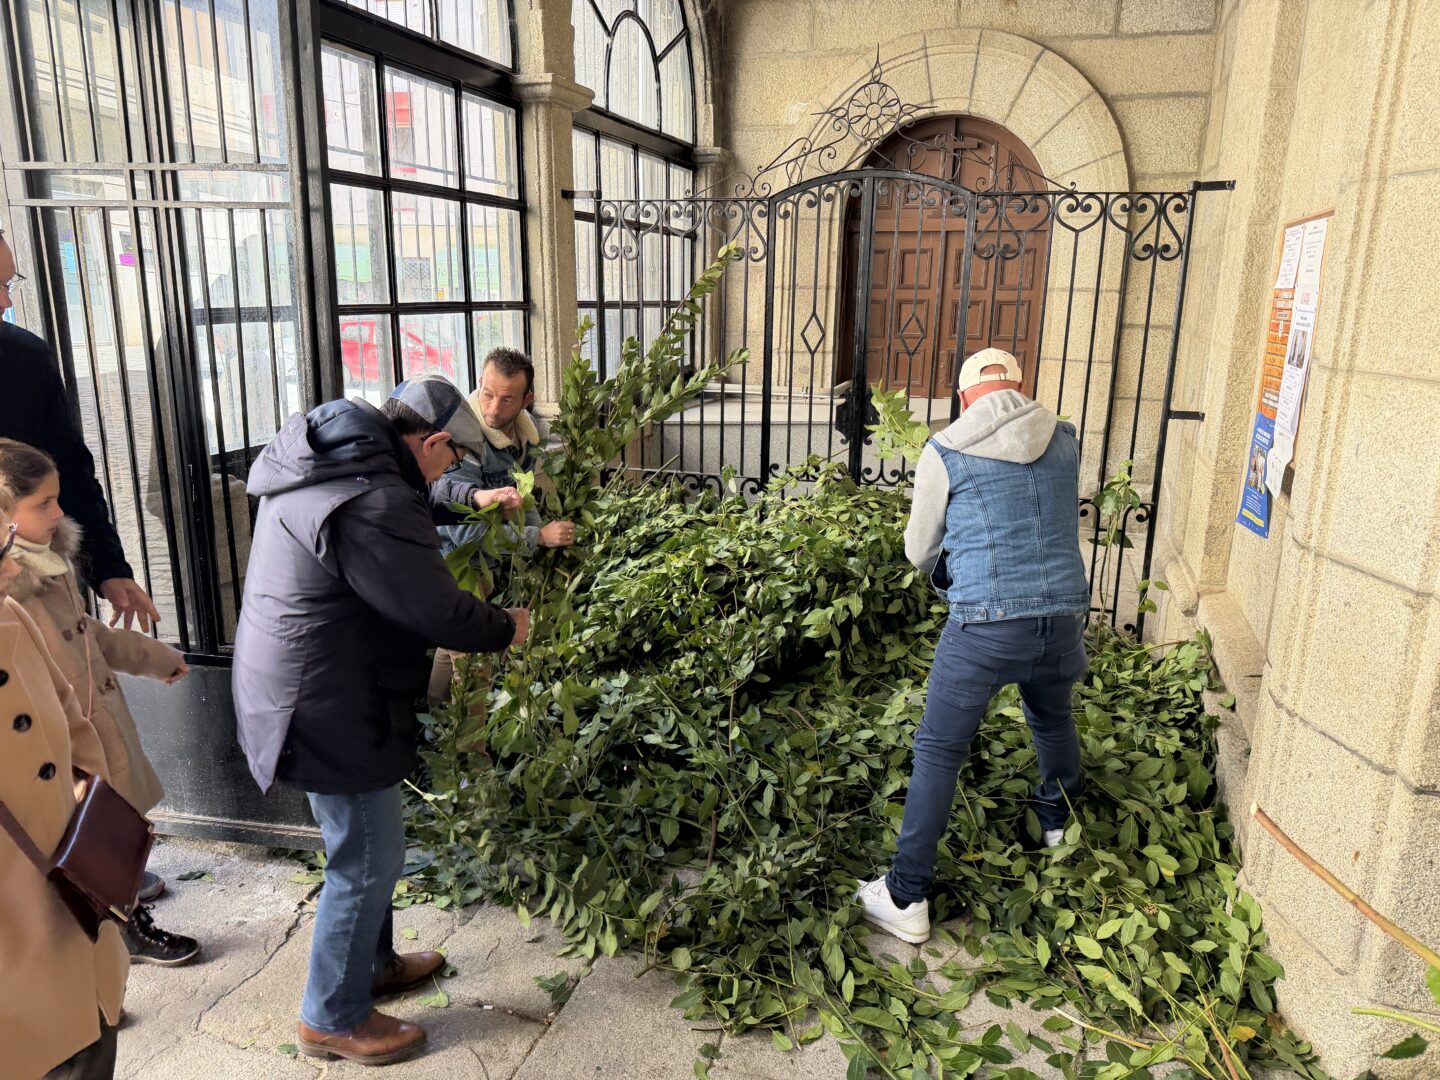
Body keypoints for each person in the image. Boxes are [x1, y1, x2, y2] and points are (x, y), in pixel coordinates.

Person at [232, 375, 529, 1066]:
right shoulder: (373, 496)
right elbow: (431, 606)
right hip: (321, 696)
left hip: (312, 679)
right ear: (429, 441)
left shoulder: (340, 462)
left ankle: (373, 966)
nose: (450, 472)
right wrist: (505, 626)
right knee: (367, 855)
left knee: (369, 841)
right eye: (452, 459)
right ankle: (331, 1015)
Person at [856, 348, 1090, 946]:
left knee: (938, 750)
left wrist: (953, 572)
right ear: (1021, 387)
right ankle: (1057, 824)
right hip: (1062, 618)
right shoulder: (1065, 437)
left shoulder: (945, 449)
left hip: (985, 625)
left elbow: (917, 549)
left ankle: (906, 896)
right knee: (1052, 718)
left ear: (963, 399)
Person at [0, 439, 200, 967]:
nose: (59, 512)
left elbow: (85, 634)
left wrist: (152, 657)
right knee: (66, 856)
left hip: (94, 724)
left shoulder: (48, 563)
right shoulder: (9, 588)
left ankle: (118, 933)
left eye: (57, 498)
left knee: (107, 838)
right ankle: (98, 966)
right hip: (49, 747)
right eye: (43, 503)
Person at [0, 487, 129, 1079]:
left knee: (92, 1034)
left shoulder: (11, 613)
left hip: (67, 894)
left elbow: (74, 726)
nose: (11, 560)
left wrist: (90, 824)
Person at [0, 227, 160, 634]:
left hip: (33, 586)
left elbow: (68, 470)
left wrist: (108, 567)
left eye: (8, 284)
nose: (5, 302)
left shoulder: (25, 359)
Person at [428, 347, 575, 714]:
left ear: (528, 400)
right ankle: (471, 762)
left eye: (507, 399)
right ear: (479, 383)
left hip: (477, 566)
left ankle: (434, 724)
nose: (493, 409)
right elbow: (463, 533)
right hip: (454, 564)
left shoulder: (523, 437)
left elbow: (522, 496)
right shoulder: (466, 442)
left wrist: (536, 527)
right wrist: (536, 538)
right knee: (475, 659)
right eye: (488, 394)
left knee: (454, 646)